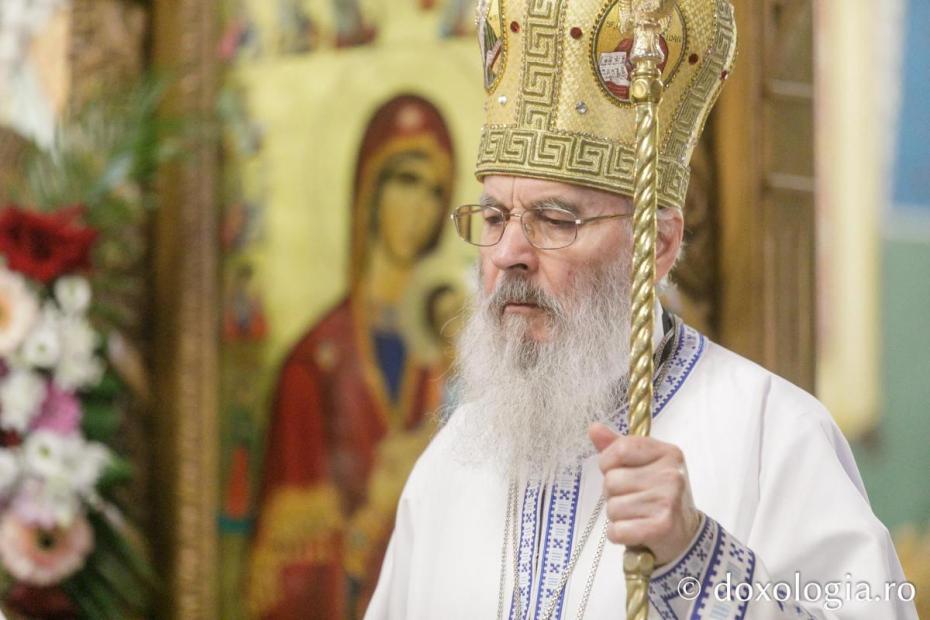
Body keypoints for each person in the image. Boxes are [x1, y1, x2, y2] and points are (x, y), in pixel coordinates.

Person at [365, 1, 918, 618]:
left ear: (657, 245)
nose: (508, 254)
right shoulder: (452, 459)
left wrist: (695, 556)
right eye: (493, 218)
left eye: (555, 220)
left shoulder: (774, 434)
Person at [249, 95, 455, 619]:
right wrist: (371, 519)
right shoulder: (311, 363)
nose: (420, 206)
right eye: (405, 180)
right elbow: (282, 572)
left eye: (435, 190)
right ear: (369, 187)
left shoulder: (451, 357)